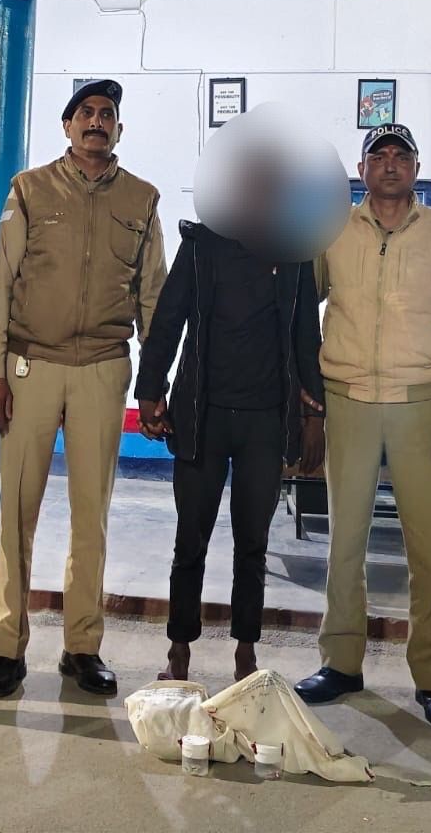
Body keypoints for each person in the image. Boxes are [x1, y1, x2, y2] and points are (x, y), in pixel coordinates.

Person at [0, 79, 166, 699]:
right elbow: (1, 283)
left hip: (103, 370)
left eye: (107, 114)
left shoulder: (141, 198)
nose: (96, 122)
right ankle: (7, 648)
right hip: (31, 366)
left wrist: (156, 383)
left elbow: (153, 296)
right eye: (85, 112)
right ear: (67, 126)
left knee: (92, 516)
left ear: (119, 129)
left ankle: (82, 646)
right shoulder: (30, 189)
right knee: (17, 513)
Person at [294, 123, 431, 731]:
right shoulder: (331, 230)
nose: (391, 164)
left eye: (402, 155)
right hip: (346, 399)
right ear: (363, 169)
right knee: (344, 542)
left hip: (420, 404)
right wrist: (307, 401)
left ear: (417, 168)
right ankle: (341, 662)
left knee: (428, 548)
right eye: (380, 156)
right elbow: (298, 309)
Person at [133, 216, 326, 684]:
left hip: (265, 420)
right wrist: (150, 389)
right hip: (203, 417)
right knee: (189, 541)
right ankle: (179, 648)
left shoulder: (293, 249)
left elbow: (307, 335)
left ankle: (246, 653)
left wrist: (315, 415)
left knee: (253, 545)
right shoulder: (201, 244)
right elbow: (168, 319)